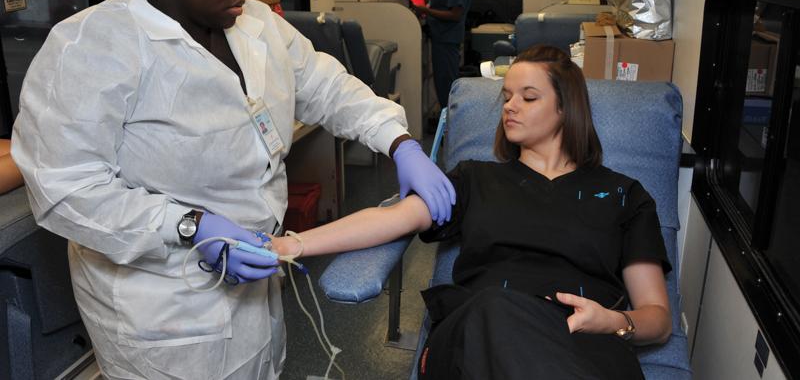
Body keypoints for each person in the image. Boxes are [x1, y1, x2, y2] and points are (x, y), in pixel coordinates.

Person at [11, 0, 454, 380]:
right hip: (162, 305)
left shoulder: (257, 24)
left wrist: (399, 143)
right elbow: (66, 189)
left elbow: (330, 89)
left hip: (253, 277)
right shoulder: (91, 48)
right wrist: (190, 226)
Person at [271, 45, 672, 379]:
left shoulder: (624, 195)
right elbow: (389, 218)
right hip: (476, 336)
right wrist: (288, 245)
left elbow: (657, 318)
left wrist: (614, 321)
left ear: (567, 108)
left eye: (528, 97)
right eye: (507, 97)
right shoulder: (474, 179)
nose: (510, 107)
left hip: (585, 344)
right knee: (496, 308)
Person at [413, 0, 474, 108]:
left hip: (447, 38)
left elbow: (455, 15)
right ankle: (447, 122)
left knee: (446, 83)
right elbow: (440, 4)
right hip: (440, 36)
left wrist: (426, 10)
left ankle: (451, 124)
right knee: (442, 81)